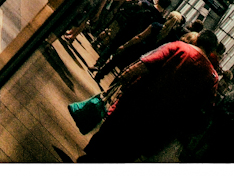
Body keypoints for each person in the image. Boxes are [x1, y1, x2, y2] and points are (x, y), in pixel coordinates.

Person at [79, 30, 220, 162]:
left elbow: (147, 62)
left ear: (197, 40)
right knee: (131, 149)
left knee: (112, 132)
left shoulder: (179, 47)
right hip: (161, 123)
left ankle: (90, 159)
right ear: (212, 50)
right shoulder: (212, 77)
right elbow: (205, 109)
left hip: (137, 102)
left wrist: (125, 76)